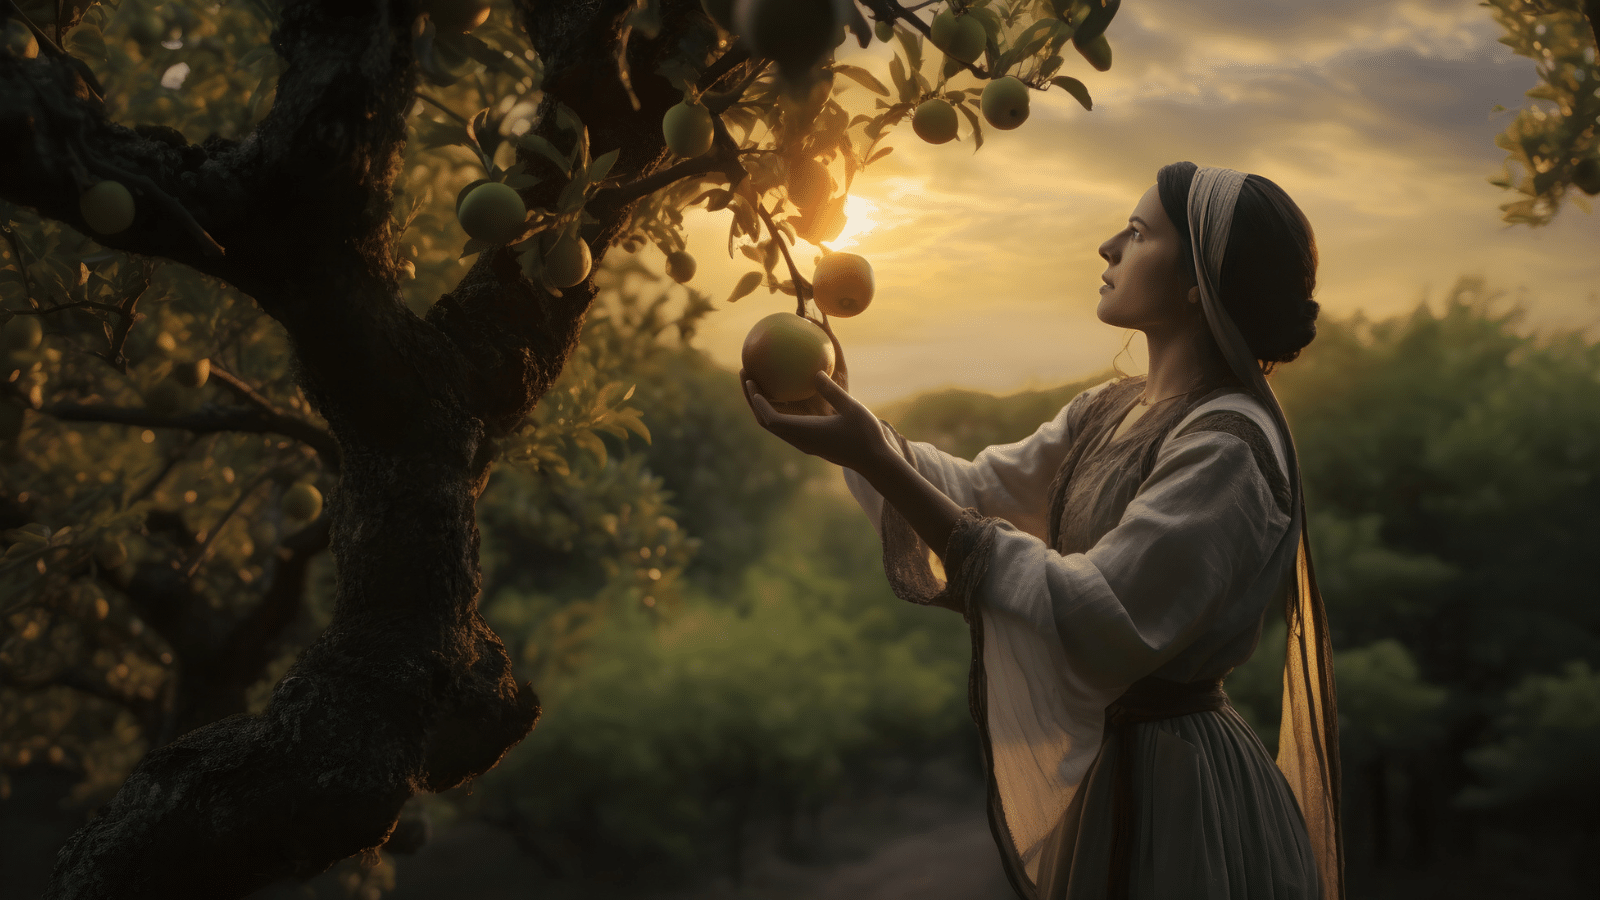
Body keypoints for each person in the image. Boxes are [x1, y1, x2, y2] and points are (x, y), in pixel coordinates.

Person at [740, 163, 1344, 899]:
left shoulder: (1230, 447)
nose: (1106, 247)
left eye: (1138, 233)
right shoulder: (1111, 409)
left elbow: (1096, 614)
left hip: (1183, 794)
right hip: (1116, 765)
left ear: (1199, 282)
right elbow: (978, 495)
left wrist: (873, 454)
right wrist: (849, 423)